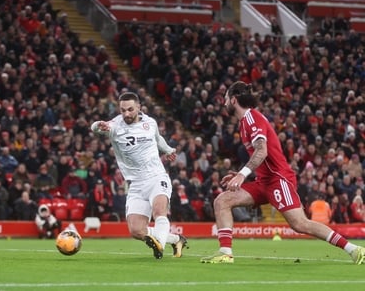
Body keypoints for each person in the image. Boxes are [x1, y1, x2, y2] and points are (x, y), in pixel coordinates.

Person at [201, 81, 365, 264]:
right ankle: (225, 253)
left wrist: (241, 174)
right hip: (263, 181)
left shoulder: (251, 119)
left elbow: (261, 151)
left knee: (300, 224)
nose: (223, 102)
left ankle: (354, 250)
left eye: (225, 98)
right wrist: (241, 173)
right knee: (222, 200)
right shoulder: (243, 123)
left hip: (278, 179)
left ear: (233, 100)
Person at [90, 92, 188, 259]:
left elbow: (158, 139)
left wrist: (168, 150)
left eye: (130, 109)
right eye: (123, 110)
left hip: (157, 177)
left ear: (139, 107)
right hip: (135, 184)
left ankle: (160, 246)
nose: (126, 114)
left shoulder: (150, 123)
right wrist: (98, 124)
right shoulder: (115, 127)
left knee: (159, 211)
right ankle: (175, 239)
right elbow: (95, 129)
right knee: (136, 230)